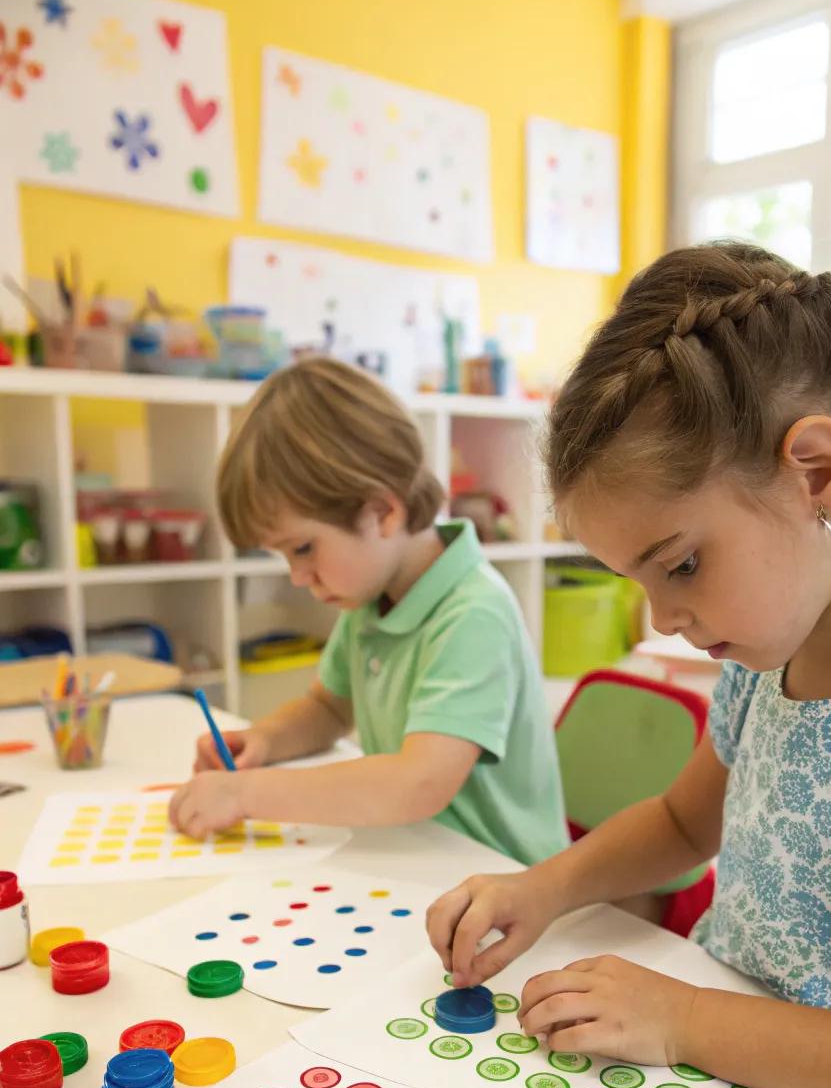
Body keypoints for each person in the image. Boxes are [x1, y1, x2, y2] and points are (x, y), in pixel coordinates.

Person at [426, 243, 831, 1088]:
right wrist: (543, 888)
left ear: (817, 474)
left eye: (682, 565)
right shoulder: (765, 654)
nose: (663, 619)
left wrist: (686, 1022)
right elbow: (679, 824)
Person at [170, 357, 567, 866]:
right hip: (417, 861)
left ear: (382, 512)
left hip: (503, 884)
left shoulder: (473, 614)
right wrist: (265, 741)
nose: (296, 576)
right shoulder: (371, 599)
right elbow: (330, 707)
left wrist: (247, 793)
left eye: (304, 548)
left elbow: (417, 782)